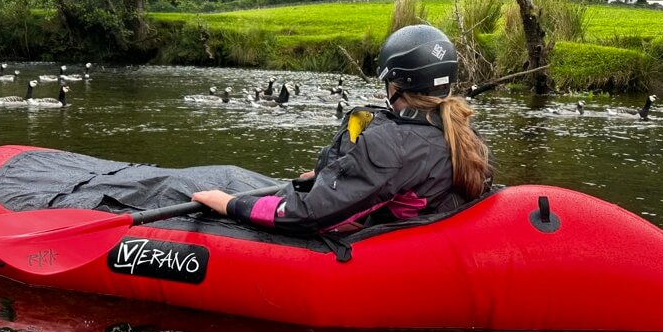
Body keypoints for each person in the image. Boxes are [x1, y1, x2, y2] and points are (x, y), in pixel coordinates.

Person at [192, 24, 493, 234]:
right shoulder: (464, 132)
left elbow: (304, 215)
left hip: (396, 248)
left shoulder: (391, 142)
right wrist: (331, 176)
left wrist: (231, 204)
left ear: (396, 84)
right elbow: (412, 183)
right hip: (425, 234)